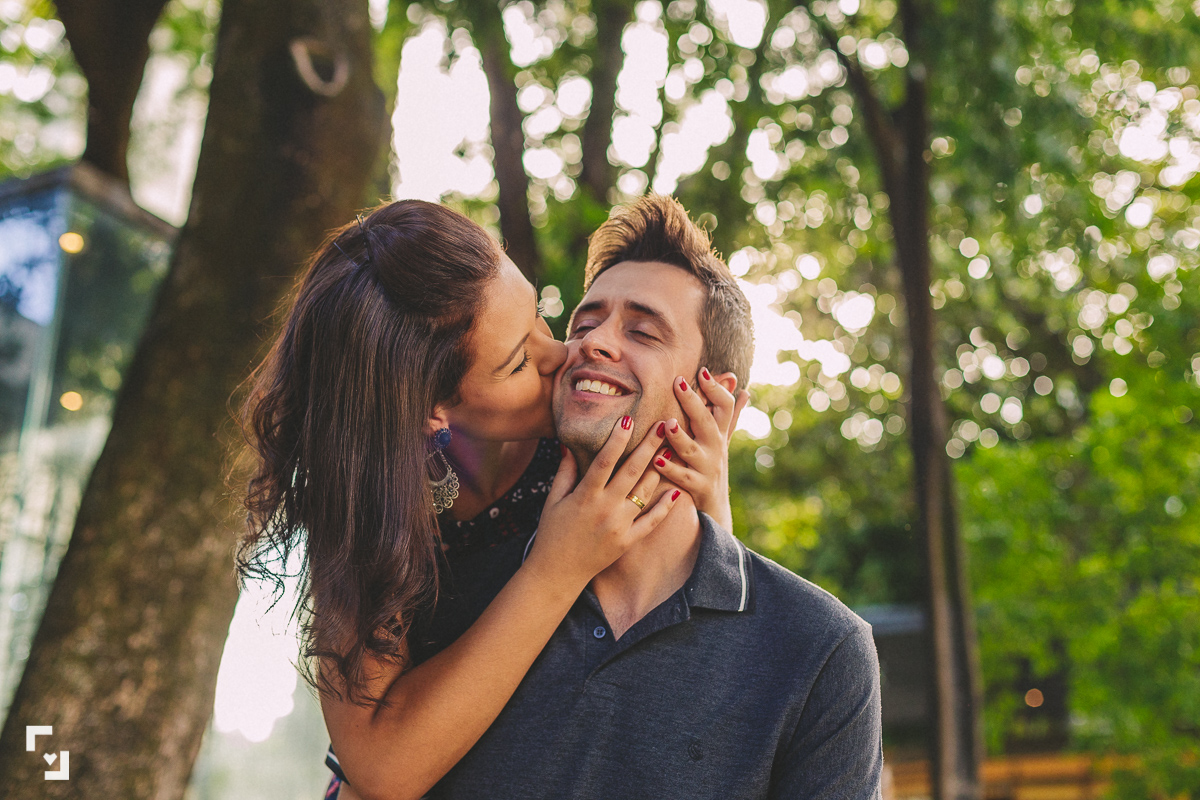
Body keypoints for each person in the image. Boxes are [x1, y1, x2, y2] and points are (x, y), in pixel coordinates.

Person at [236, 200, 746, 800]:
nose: (561, 357)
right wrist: (557, 567)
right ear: (428, 411)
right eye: (517, 363)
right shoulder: (364, 493)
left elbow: (701, 661)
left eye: (540, 319)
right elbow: (378, 764)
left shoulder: (595, 439)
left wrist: (711, 506)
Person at [396, 195, 884, 799]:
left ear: (712, 399)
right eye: (583, 323)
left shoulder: (819, 649)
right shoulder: (444, 598)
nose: (593, 343)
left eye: (644, 331)